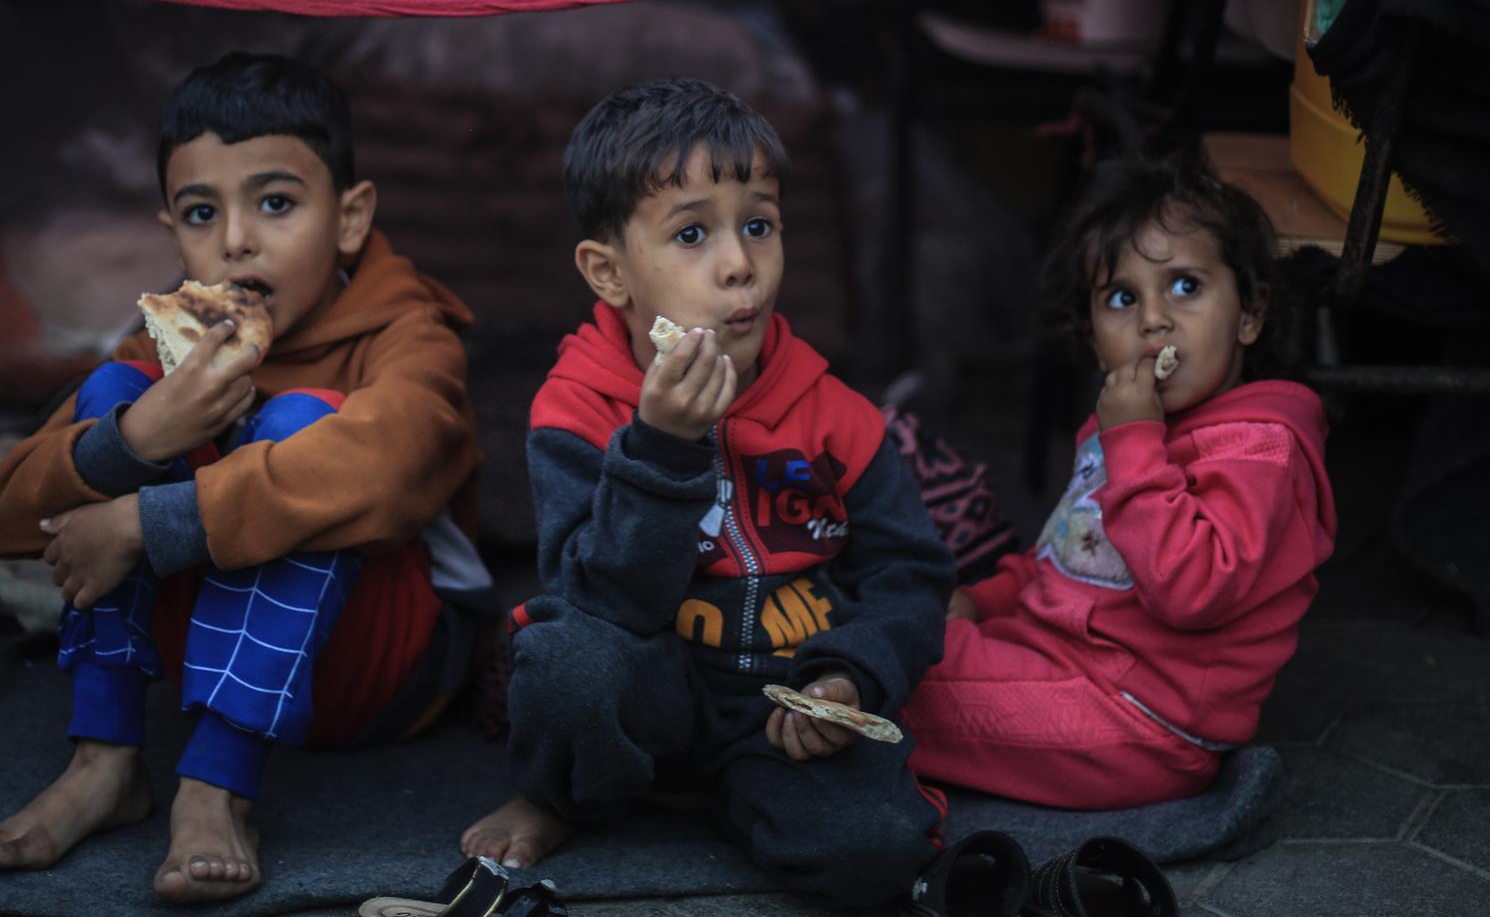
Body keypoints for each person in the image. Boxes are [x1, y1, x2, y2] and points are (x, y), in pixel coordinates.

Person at [0, 52, 490, 902]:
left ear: (350, 218)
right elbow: (2, 520)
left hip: (380, 671)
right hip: (207, 658)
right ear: (171, 232)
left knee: (301, 427)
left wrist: (143, 521)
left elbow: (387, 477)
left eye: (276, 203)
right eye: (202, 212)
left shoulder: (410, 336)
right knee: (118, 394)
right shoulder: (172, 343)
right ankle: (103, 762)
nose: (237, 240)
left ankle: (217, 788)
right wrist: (139, 439)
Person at [457, 77, 955, 908]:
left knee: (877, 853)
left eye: (759, 225)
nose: (740, 265)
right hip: (649, 688)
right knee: (563, 661)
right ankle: (565, 794)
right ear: (609, 273)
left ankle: (731, 794)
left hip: (781, 706)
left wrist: (850, 680)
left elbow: (911, 578)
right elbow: (596, 601)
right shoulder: (578, 410)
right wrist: (660, 448)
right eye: (692, 234)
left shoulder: (837, 415)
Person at [900, 159, 1335, 809]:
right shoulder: (1122, 424)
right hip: (1061, 669)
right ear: (1095, 340)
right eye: (1122, 299)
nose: (1153, 320)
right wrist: (983, 600)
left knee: (891, 671)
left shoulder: (1257, 450)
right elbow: (1065, 555)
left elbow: (1192, 591)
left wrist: (1133, 442)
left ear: (1250, 313)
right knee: (905, 628)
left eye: (1185, 286)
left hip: (1139, 723)